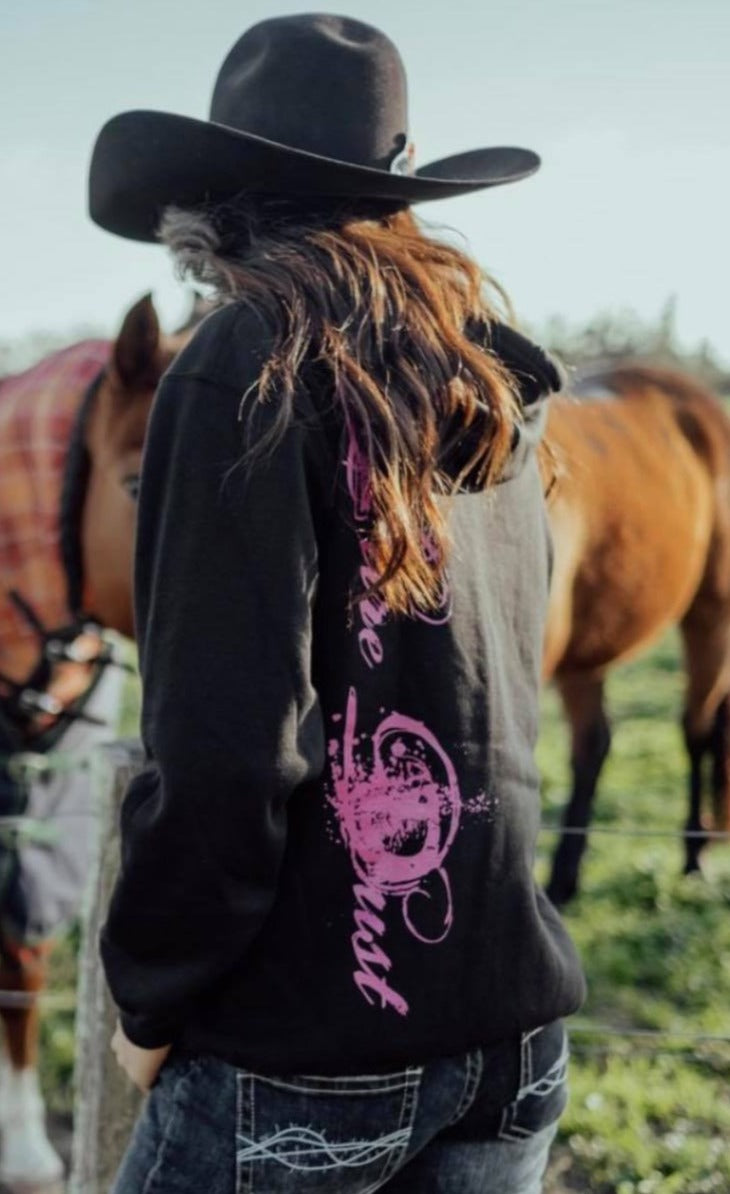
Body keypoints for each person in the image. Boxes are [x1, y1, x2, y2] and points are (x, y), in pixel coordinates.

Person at [86, 14, 586, 1193]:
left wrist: (149, 999)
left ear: (208, 207)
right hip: (511, 1029)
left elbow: (225, 751)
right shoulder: (488, 379)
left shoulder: (239, 364)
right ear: (400, 192)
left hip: (307, 1049)